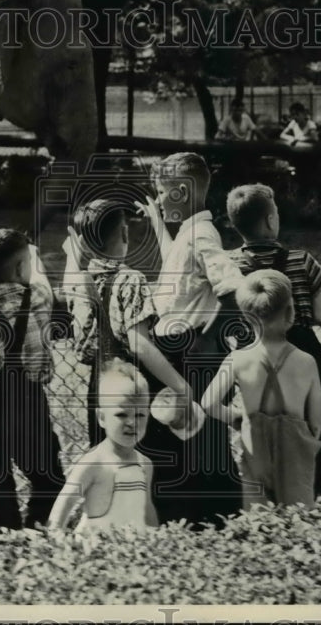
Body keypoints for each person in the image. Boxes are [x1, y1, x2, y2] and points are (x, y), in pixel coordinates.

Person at [136, 151, 245, 526]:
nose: (160, 199)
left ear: (182, 191)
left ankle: (220, 520)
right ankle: (191, 522)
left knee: (205, 445)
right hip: (180, 353)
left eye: (163, 193)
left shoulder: (202, 236)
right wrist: (155, 220)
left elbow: (233, 288)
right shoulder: (188, 233)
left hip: (195, 354)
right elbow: (177, 264)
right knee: (183, 441)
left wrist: (209, 338)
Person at [225, 183, 321, 497]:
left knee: (260, 431)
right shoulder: (302, 260)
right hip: (301, 349)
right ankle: (312, 493)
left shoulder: (232, 266)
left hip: (254, 350)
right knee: (310, 432)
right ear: (272, 221)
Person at [73, 198, 193, 446]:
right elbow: (140, 345)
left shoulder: (81, 282)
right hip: (131, 382)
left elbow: (82, 346)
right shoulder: (131, 279)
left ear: (85, 243)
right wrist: (181, 386)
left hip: (100, 383)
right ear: (125, 233)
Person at [202, 270, 321, 508]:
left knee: (260, 522)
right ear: (290, 312)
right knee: (299, 519)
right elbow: (317, 422)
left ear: (246, 317)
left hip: (253, 447)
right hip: (294, 454)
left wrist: (236, 417)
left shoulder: (237, 359)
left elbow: (208, 403)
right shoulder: (306, 361)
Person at [0, 228, 65, 530]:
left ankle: (2, 528)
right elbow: (42, 284)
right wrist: (32, 258)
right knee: (47, 473)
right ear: (19, 267)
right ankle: (41, 521)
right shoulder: (36, 296)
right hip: (29, 400)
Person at [47, 360, 158, 532]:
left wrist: (157, 539)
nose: (132, 423)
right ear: (102, 417)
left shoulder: (145, 464)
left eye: (140, 415)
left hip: (132, 551)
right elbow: (65, 501)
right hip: (95, 550)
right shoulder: (94, 462)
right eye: (121, 414)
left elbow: (147, 508)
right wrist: (55, 538)